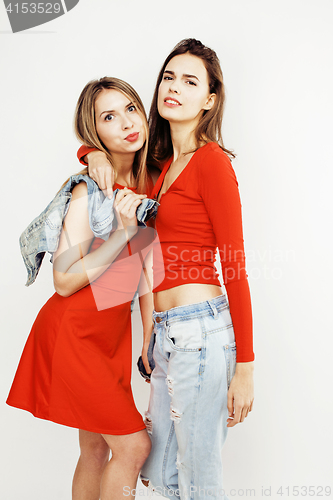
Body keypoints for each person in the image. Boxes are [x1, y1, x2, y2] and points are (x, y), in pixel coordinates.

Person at [78, 39, 255, 500]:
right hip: (166, 336)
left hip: (201, 333)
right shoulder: (161, 167)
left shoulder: (213, 164)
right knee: (160, 475)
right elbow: (114, 157)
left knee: (198, 482)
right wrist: (89, 153)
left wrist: (246, 368)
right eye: (168, 77)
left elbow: (234, 265)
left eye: (190, 81)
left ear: (210, 100)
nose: (174, 88)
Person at [6, 77, 160, 500]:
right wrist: (122, 233)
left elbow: (146, 273)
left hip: (111, 335)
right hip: (74, 333)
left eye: (130, 108)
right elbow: (63, 280)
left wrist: (149, 336)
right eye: (108, 117)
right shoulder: (87, 189)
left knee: (95, 448)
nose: (126, 122)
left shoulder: (154, 179)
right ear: (94, 132)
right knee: (134, 446)